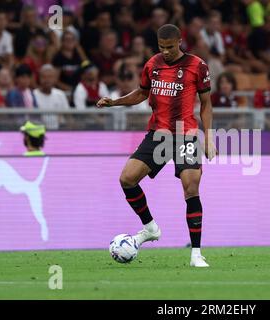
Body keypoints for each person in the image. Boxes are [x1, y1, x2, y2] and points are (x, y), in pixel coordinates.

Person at [96, 24, 217, 267]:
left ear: (180, 42)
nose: (166, 52)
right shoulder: (153, 64)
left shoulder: (197, 65)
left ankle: (196, 254)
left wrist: (209, 136)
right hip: (158, 134)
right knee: (127, 179)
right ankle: (150, 227)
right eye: (162, 47)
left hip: (185, 134)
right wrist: (115, 102)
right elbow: (141, 94)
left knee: (191, 187)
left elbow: (205, 103)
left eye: (170, 47)